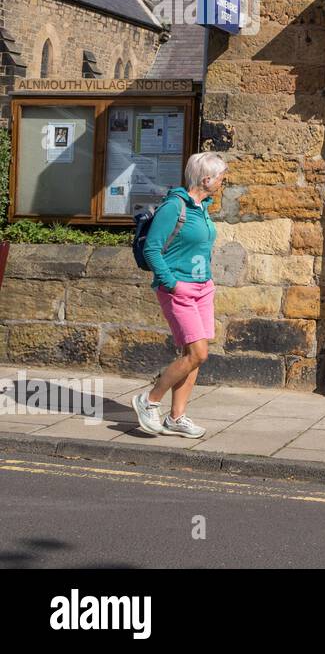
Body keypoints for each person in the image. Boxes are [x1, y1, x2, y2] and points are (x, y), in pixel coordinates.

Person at [131, 151, 226, 439]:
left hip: (202, 289)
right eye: (221, 177)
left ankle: (176, 417)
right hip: (179, 289)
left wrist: (206, 281)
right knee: (199, 353)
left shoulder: (201, 207)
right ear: (207, 179)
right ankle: (149, 400)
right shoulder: (174, 206)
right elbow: (152, 249)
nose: (223, 182)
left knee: (192, 355)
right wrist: (172, 284)